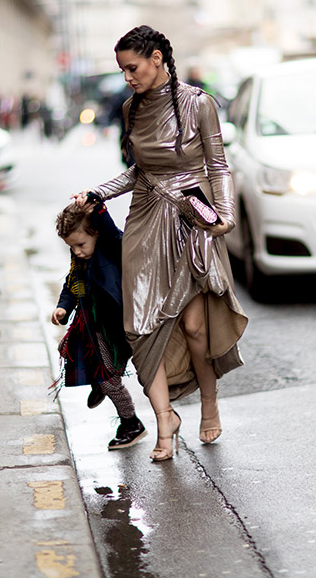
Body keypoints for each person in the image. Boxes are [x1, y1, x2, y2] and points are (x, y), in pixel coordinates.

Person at [73, 25, 247, 462]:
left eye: (132, 68)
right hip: (145, 220)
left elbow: (218, 164)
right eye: (122, 70)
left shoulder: (199, 103)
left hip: (192, 219)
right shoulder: (131, 108)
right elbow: (138, 171)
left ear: (156, 58)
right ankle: (164, 420)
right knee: (140, 325)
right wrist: (100, 192)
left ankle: (208, 401)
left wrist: (224, 216)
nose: (127, 78)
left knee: (194, 327)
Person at [51, 201, 147, 451]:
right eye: (72, 247)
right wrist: (64, 307)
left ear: (95, 233)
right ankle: (98, 380)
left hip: (117, 329)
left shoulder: (111, 247)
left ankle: (131, 423)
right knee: (68, 349)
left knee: (108, 380)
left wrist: (98, 208)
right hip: (92, 325)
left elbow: (113, 232)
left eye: (81, 244)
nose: (77, 251)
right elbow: (72, 283)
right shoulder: (80, 258)